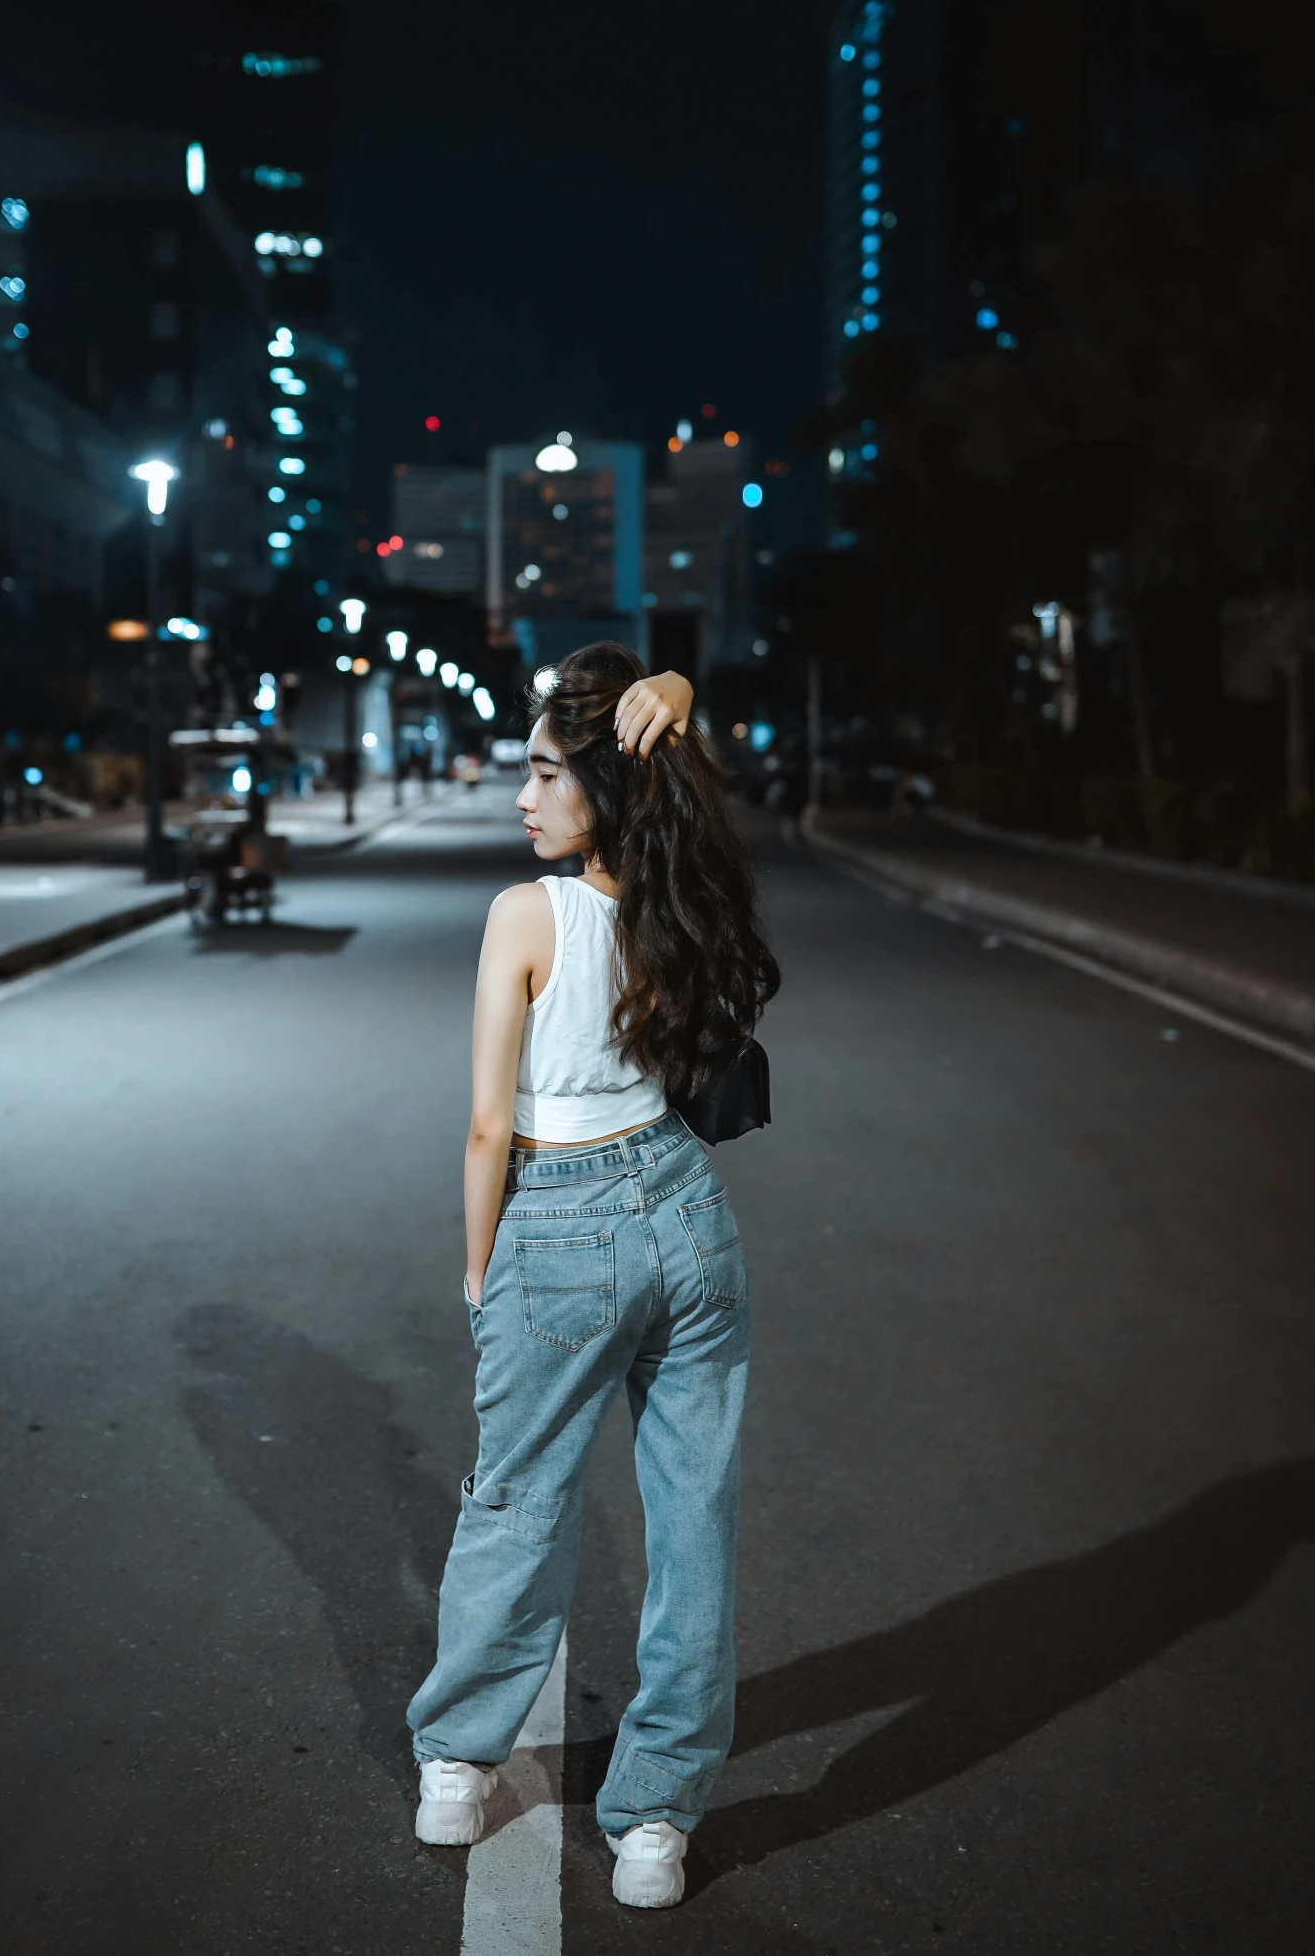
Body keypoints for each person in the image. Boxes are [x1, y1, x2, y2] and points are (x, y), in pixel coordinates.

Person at [407, 645, 780, 1910]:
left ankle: (459, 1761)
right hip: (689, 1216)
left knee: (515, 1497)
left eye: (543, 770)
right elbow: (684, 756)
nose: (522, 794)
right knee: (692, 1523)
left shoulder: (529, 913)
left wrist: (477, 1274)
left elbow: (480, 1129)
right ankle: (655, 1826)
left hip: (560, 1220)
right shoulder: (681, 900)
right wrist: (673, 690)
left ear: (600, 788)